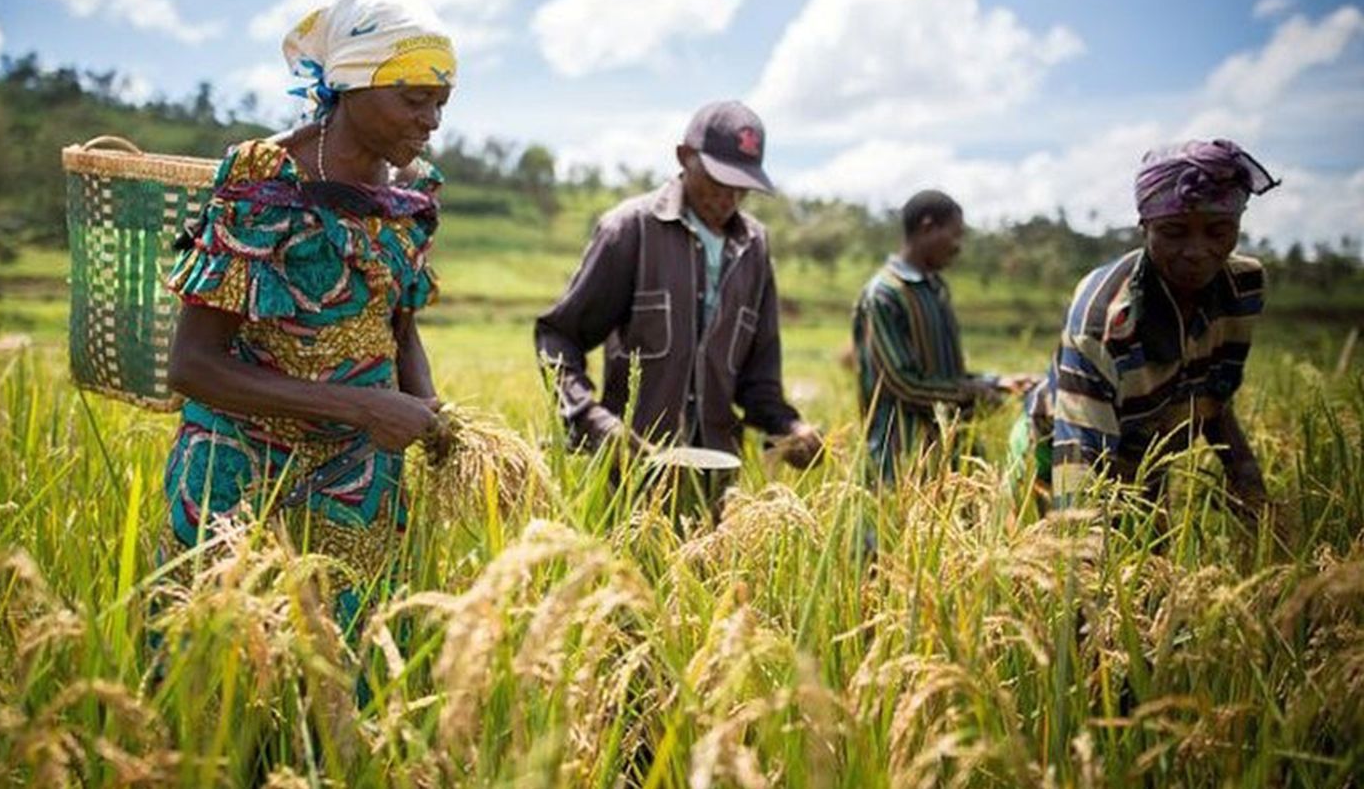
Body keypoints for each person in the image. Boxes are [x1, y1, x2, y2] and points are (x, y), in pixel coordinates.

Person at [160, 0, 456, 636]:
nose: (431, 119)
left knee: (348, 671)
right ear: (351, 83)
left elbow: (399, 329)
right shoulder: (264, 185)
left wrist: (428, 407)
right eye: (413, 98)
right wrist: (364, 407)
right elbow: (191, 366)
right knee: (217, 673)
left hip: (357, 477)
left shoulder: (410, 197)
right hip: (237, 472)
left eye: (441, 101)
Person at [534, 100, 823, 482]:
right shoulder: (630, 231)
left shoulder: (754, 248)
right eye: (719, 181)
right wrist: (591, 419)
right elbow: (558, 337)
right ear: (685, 157)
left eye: (743, 188)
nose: (729, 198)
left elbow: (758, 381)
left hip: (718, 484)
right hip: (634, 477)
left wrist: (789, 428)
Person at [1015, 139, 1279, 515]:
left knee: (1153, 558)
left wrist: (1249, 487)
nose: (1196, 251)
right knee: (1058, 559)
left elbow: (1212, 396)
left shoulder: (1245, 287)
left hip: (1147, 455)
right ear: (1145, 227)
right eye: (1174, 232)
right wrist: (1080, 555)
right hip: (1057, 449)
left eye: (1218, 231)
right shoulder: (1104, 315)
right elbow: (1079, 457)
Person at [851, 190, 1033, 484]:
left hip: (951, 452)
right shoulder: (884, 294)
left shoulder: (935, 290)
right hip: (901, 461)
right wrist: (972, 393)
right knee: (895, 531)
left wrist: (997, 383)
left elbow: (946, 374)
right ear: (927, 228)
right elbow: (902, 382)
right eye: (954, 235)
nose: (958, 247)